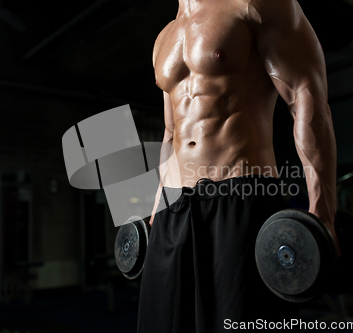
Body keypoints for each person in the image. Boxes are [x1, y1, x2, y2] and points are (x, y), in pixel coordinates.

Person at [138, 0, 338, 331]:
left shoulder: (256, 5)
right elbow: (171, 131)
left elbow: (306, 97)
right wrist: (158, 203)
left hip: (241, 198)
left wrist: (324, 210)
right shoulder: (164, 37)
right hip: (173, 210)